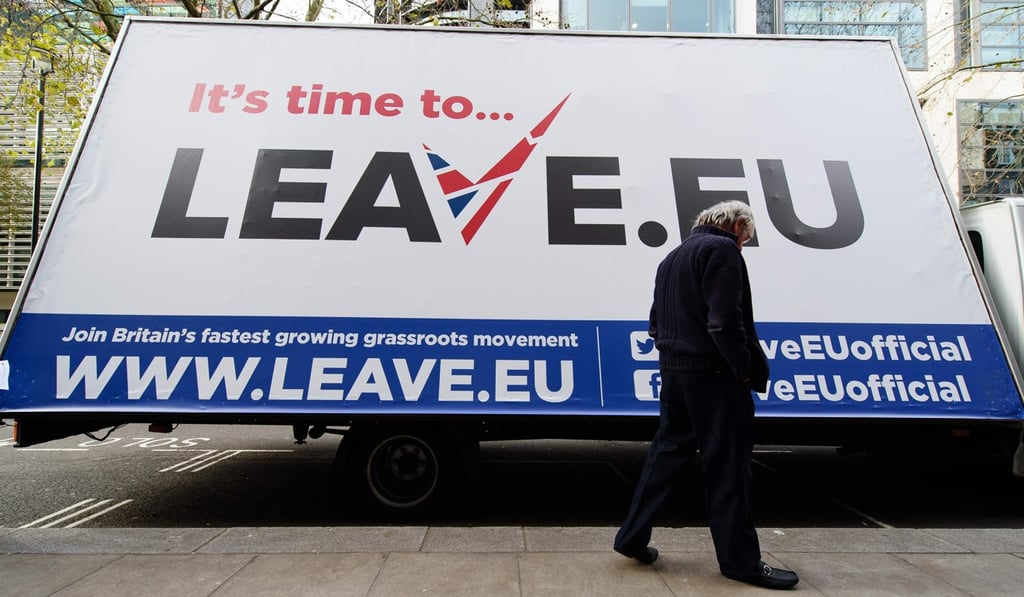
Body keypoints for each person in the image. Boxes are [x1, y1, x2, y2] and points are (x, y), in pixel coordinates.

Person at [613, 200, 799, 590]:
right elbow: (724, 321)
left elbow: (653, 322)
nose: (744, 245)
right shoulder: (722, 251)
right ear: (737, 227)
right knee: (729, 468)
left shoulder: (672, 257)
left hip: (674, 371)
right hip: (715, 377)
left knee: (665, 455)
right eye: (746, 238)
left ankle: (631, 538)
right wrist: (743, 369)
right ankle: (741, 563)